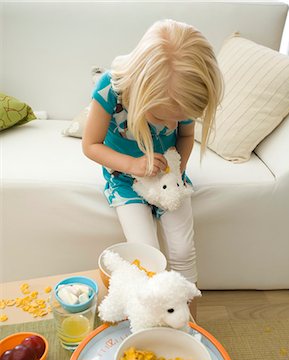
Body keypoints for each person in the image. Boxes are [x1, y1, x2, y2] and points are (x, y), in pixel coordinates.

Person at [83, 19, 223, 319]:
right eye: (163, 117)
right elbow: (90, 145)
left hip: (168, 180)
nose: (171, 123)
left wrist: (175, 172)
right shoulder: (111, 88)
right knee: (147, 253)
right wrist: (133, 165)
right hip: (124, 178)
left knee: (183, 250)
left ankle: (191, 323)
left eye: (179, 117)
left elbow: (185, 137)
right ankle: (152, 323)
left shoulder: (181, 94)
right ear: (144, 91)